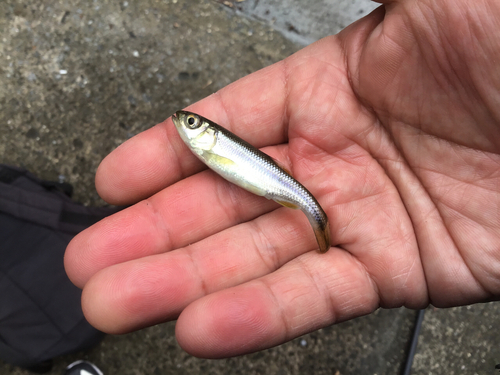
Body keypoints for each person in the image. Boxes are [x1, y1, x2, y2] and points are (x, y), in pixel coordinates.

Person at [64, 0, 500, 358]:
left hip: (289, 192)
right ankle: (317, 225)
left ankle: (318, 223)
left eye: (194, 125)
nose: (187, 126)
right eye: (193, 125)